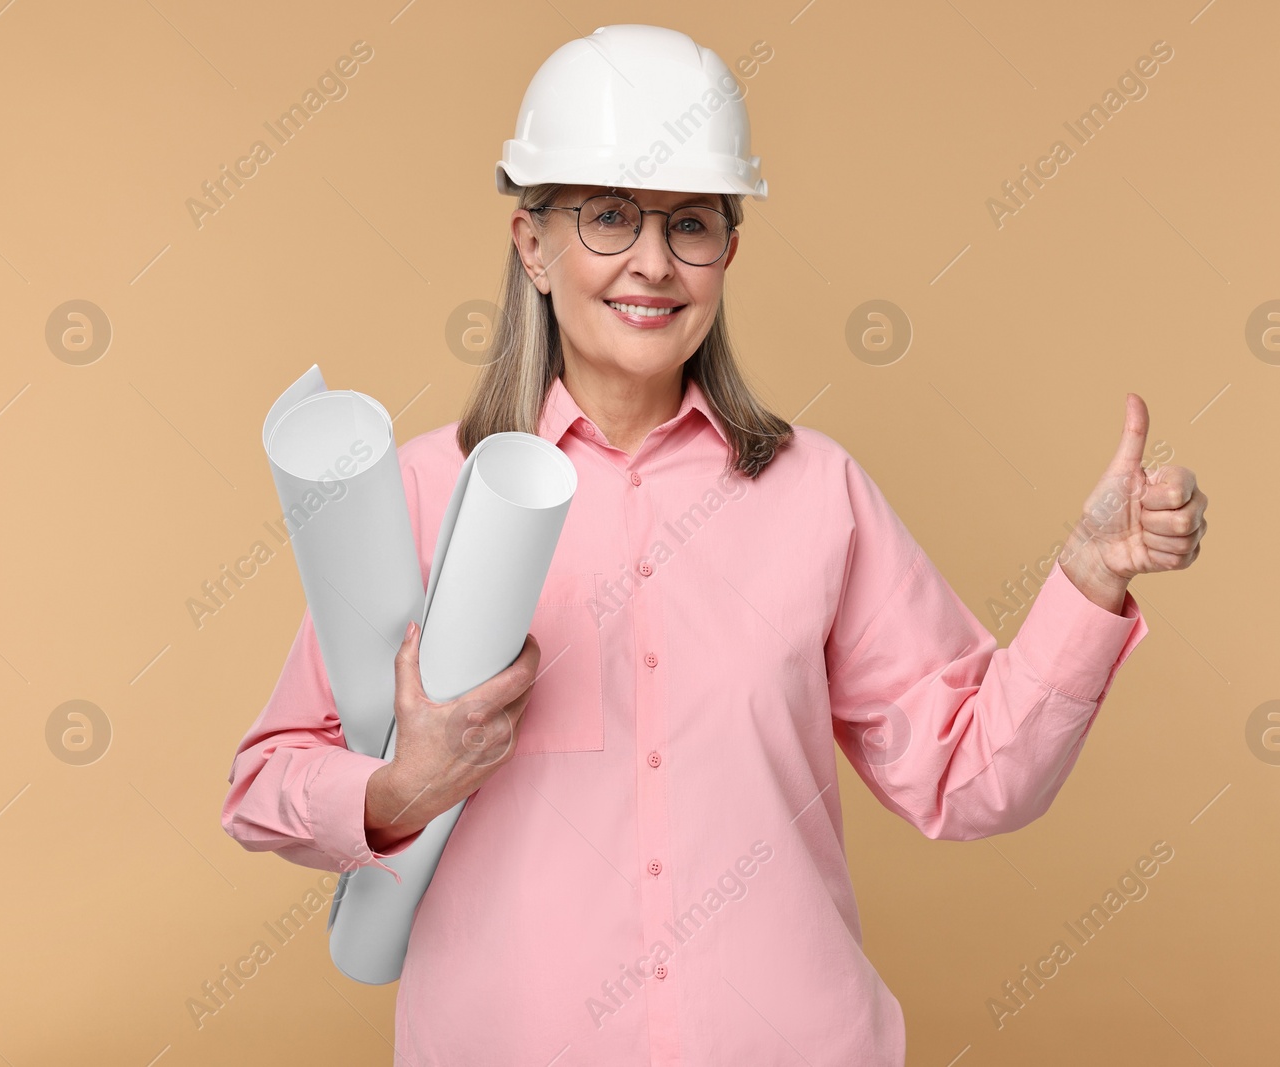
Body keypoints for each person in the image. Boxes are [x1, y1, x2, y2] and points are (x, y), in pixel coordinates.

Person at [221, 23, 1208, 1065]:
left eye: (689, 224)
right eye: (609, 216)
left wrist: (1089, 579)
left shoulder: (815, 493)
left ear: (727, 252)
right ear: (531, 244)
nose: (653, 262)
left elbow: (969, 777)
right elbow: (265, 783)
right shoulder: (425, 491)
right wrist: (397, 788)